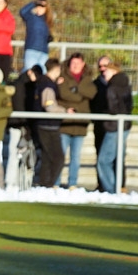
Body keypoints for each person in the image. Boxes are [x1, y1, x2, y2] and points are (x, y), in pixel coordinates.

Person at [56, 53, 97, 189]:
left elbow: (91, 93)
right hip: (65, 124)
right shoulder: (62, 77)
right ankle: (56, 182)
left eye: (78, 63)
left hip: (80, 124)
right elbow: (63, 93)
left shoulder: (88, 79)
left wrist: (76, 89)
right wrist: (80, 95)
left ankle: (72, 183)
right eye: (73, 63)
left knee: (76, 157)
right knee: (60, 155)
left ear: (83, 64)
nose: (75, 66)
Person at [96, 60, 133, 194]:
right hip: (125, 126)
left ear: (113, 71)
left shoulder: (112, 87)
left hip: (113, 127)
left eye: (106, 70)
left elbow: (113, 109)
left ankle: (111, 189)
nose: (104, 73)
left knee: (103, 161)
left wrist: (104, 113)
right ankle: (117, 187)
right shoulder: (126, 84)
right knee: (118, 158)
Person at [5, 66, 39, 191]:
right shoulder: (22, 85)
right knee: (15, 153)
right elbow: (20, 105)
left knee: (20, 154)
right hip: (19, 125)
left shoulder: (24, 84)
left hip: (22, 124)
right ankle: (11, 182)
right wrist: (25, 125)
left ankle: (16, 182)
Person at [33, 58, 66, 188]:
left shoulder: (42, 82)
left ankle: (44, 183)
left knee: (47, 156)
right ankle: (48, 183)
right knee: (58, 158)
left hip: (43, 124)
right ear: (57, 69)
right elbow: (50, 107)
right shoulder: (48, 85)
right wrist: (64, 111)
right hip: (49, 125)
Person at [90, 54, 113, 192]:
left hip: (113, 126)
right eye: (100, 66)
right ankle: (102, 184)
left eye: (105, 65)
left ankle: (118, 185)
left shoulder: (116, 83)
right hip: (99, 125)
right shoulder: (96, 84)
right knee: (100, 155)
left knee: (114, 157)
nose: (103, 68)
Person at [18, 0, 52, 72]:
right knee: (30, 71)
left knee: (42, 73)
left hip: (43, 51)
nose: (39, 8)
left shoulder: (47, 21)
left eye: (42, 7)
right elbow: (22, 12)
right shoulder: (31, 17)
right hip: (32, 49)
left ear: (46, 9)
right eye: (38, 6)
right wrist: (33, 2)